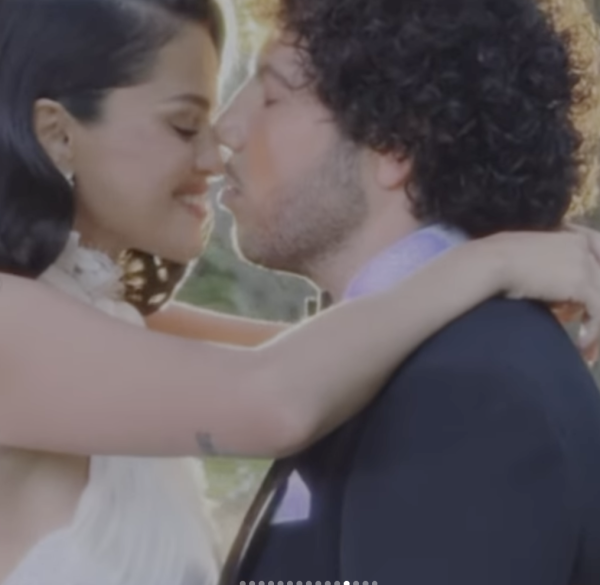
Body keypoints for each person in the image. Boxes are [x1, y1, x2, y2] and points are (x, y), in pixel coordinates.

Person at [0, 0, 599, 582]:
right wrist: (491, 260)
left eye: (270, 95)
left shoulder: (99, 319)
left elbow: (317, 354)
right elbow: (271, 393)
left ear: (395, 142)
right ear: (58, 135)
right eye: (183, 124)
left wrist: (503, 262)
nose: (219, 143)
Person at [214, 0, 600, 583]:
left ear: (393, 144)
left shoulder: (472, 393)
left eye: (272, 95)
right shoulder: (422, 358)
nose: (226, 127)